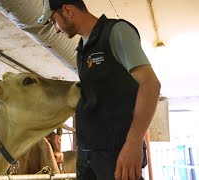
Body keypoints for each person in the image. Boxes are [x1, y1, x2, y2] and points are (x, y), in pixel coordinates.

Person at [37, 0, 161, 179]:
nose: (56, 29)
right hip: (87, 155)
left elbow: (150, 84)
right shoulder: (82, 49)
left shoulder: (116, 32)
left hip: (116, 154)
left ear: (67, 11)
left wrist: (133, 144)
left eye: (54, 21)